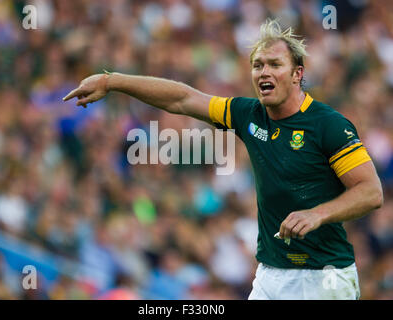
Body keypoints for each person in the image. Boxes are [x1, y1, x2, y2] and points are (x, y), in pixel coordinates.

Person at [63, 20, 383, 300]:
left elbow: (370, 192)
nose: (264, 72)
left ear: (298, 73)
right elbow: (183, 98)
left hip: (323, 279)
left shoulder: (328, 125)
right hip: (271, 275)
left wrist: (318, 214)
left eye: (274, 64)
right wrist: (111, 82)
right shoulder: (248, 114)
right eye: (258, 65)